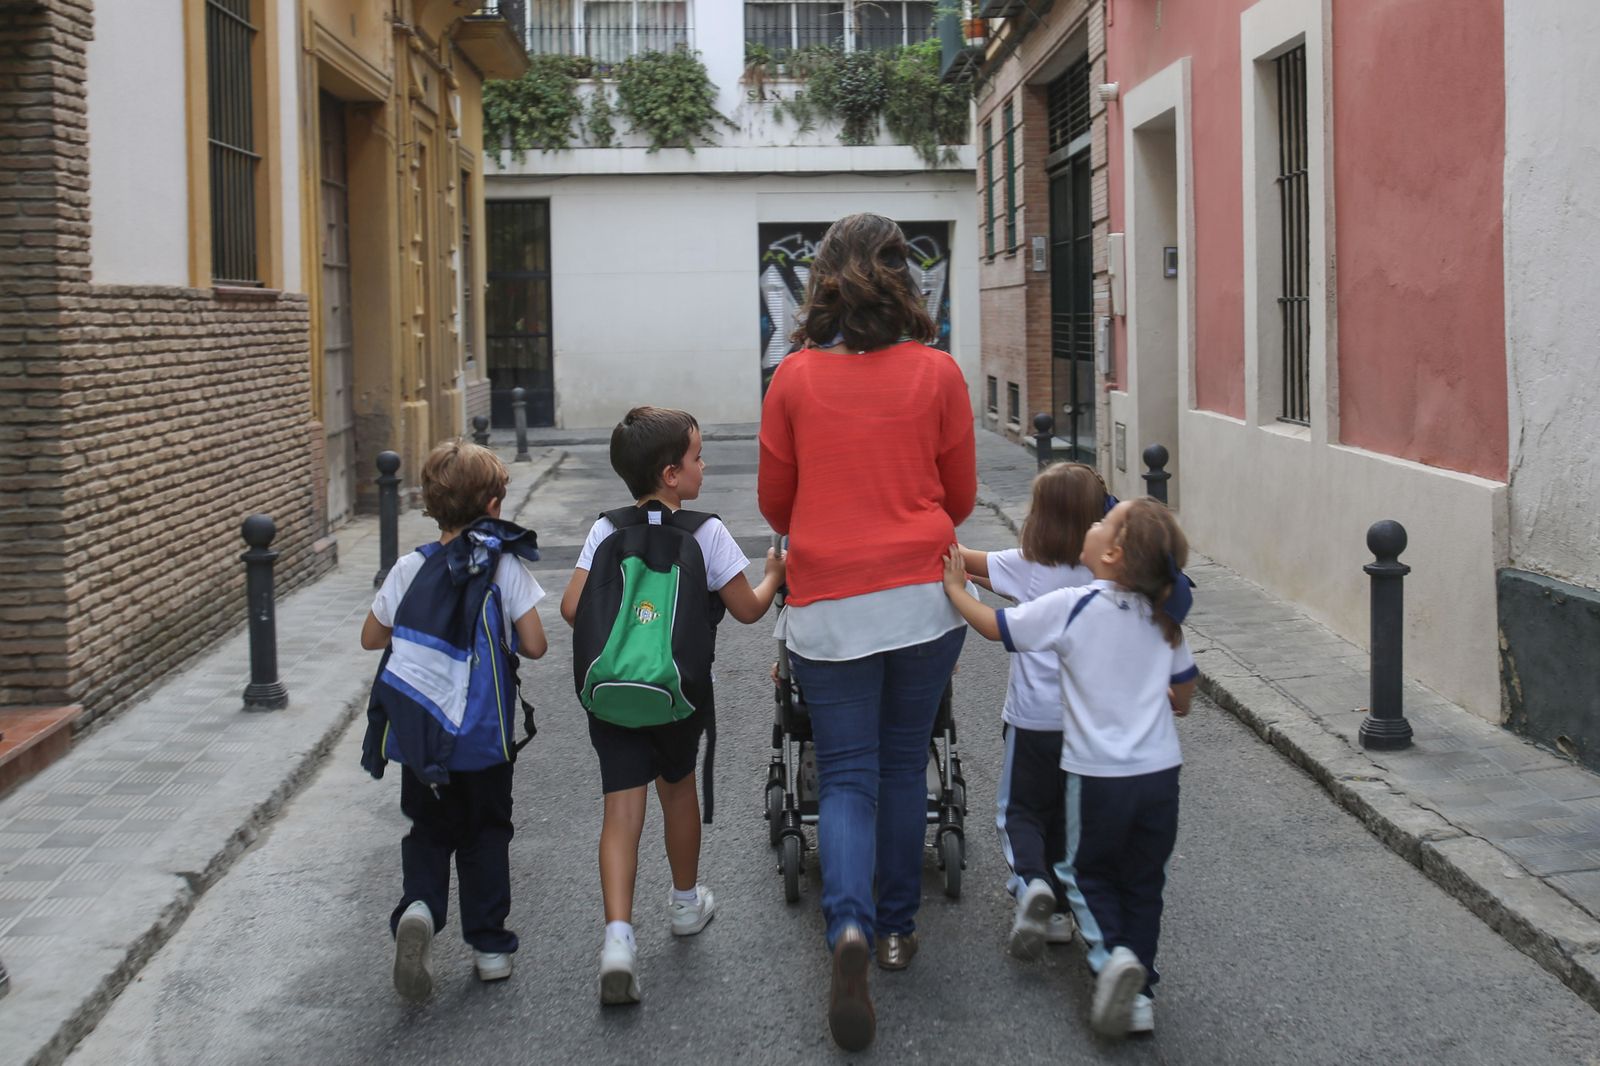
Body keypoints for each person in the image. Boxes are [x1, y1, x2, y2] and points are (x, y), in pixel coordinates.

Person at [758, 212, 976, 1052]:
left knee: (844, 772)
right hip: (922, 600)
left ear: (824, 283)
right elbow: (956, 499)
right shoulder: (941, 374)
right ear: (904, 278)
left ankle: (844, 928)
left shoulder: (794, 380)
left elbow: (777, 507)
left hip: (828, 600)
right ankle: (893, 929)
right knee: (901, 759)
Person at [941, 497, 1198, 1038]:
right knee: (1145, 881)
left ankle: (1112, 958)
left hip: (1098, 774)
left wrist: (956, 591)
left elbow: (996, 628)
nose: (1095, 523)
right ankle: (1141, 994)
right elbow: (1183, 696)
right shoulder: (1163, 617)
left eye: (1104, 522)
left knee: (1083, 873)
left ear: (1113, 554)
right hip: (1160, 775)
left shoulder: (1073, 605)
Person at [560, 406, 785, 1006]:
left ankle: (617, 938)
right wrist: (773, 573)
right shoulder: (705, 533)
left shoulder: (605, 529)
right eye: (696, 457)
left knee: (620, 808)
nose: (703, 465)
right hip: (679, 692)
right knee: (677, 789)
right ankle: (685, 905)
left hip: (611, 691)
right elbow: (747, 609)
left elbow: (570, 608)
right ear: (670, 475)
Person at [359, 440, 549, 1001]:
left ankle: (418, 907)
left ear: (431, 504)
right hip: (486, 743)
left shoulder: (409, 567)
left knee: (429, 831)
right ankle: (490, 948)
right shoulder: (503, 565)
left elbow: (372, 638)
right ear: (494, 506)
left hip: (423, 740)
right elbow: (535, 645)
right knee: (487, 835)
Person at [955, 462, 1107, 960]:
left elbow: (962, 560)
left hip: (1031, 718)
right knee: (1065, 815)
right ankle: (1060, 913)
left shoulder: (1027, 563)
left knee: (1018, 811)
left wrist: (949, 571)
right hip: (1084, 725)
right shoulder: (1103, 570)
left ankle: (1032, 881)